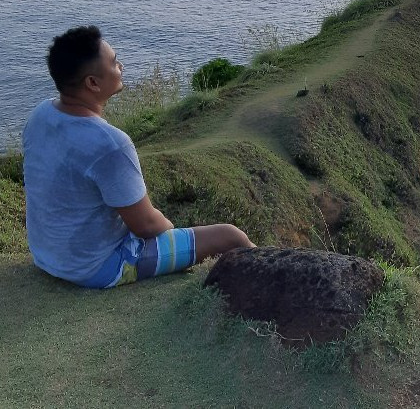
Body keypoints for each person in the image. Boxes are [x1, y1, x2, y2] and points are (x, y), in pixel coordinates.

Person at [21, 25, 254, 288]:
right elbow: (146, 226)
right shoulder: (111, 144)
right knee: (230, 236)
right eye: (113, 62)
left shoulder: (39, 116)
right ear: (92, 83)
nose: (121, 66)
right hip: (98, 267)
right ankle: (277, 281)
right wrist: (168, 225)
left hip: (48, 256)